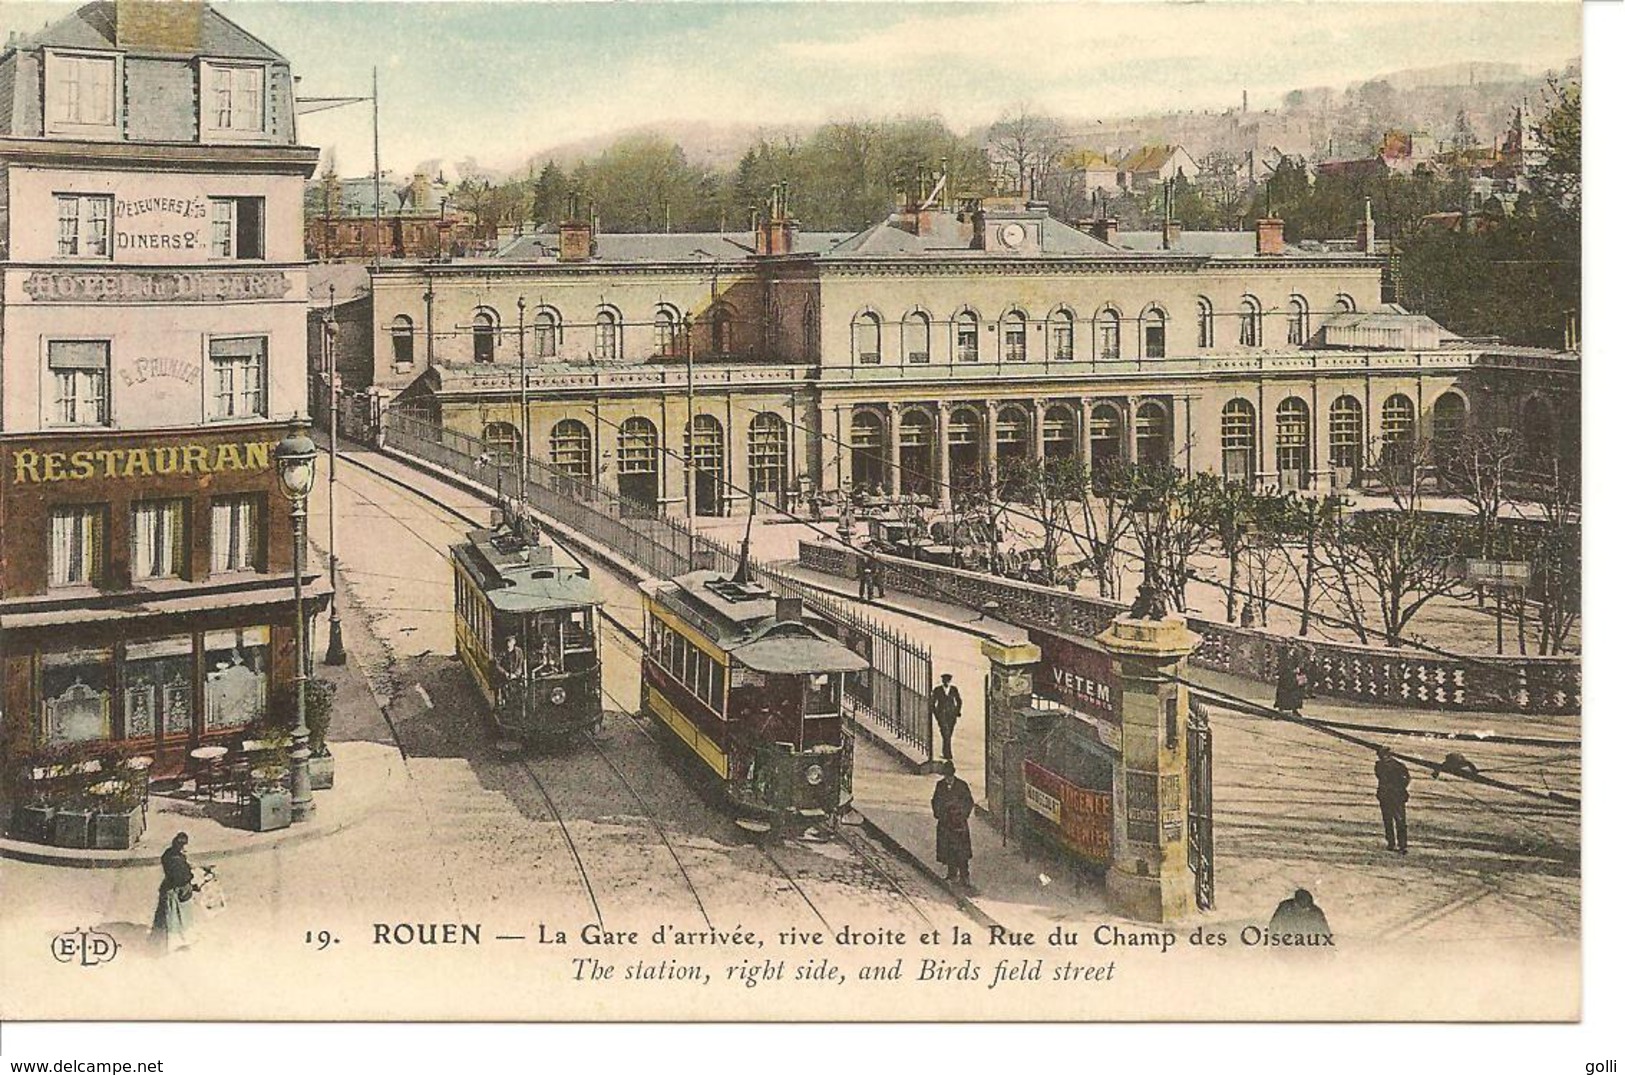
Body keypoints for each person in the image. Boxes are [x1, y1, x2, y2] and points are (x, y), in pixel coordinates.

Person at [151, 832, 198, 953]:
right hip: (175, 892)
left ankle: (158, 941)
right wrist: (192, 877)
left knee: (164, 917)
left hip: (167, 888)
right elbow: (181, 878)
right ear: (180, 846)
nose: (185, 849)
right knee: (177, 918)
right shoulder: (176, 860)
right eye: (183, 846)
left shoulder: (168, 854)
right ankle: (177, 943)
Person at [931, 762, 973, 886]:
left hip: (959, 824)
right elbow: (935, 801)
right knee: (948, 849)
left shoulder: (962, 785)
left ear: (953, 775)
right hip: (945, 823)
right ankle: (951, 873)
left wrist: (962, 815)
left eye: (949, 776)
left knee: (961, 851)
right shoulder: (940, 786)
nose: (947, 779)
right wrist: (939, 814)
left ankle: (964, 876)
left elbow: (968, 802)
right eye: (945, 776)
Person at [1375, 747, 1411, 854]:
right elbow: (1407, 779)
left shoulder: (1380, 766)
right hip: (1395, 796)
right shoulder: (1398, 766)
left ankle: (1394, 843)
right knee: (1397, 821)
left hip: (1389, 796)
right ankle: (1400, 845)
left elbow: (1380, 776)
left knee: (1391, 821)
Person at [1268, 888, 1333, 943]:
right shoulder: (1285, 907)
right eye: (1302, 908)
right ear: (1295, 903)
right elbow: (1273, 926)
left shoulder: (1316, 912)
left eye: (1307, 907)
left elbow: (1325, 933)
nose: (1305, 909)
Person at [929, 673, 962, 762]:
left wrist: (957, 711)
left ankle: (945, 751)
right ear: (943, 681)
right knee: (946, 732)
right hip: (942, 715)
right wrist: (936, 714)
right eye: (945, 681)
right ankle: (948, 753)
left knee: (948, 734)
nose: (946, 683)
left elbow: (959, 701)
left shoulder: (954, 689)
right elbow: (932, 703)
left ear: (950, 681)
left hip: (952, 715)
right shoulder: (937, 690)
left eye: (948, 681)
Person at [1274, 649, 1309, 716]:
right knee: (1283, 693)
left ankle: (1294, 709)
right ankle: (1281, 708)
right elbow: (1282, 666)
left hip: (1293, 679)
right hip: (1285, 678)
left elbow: (1300, 665)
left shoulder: (1296, 656)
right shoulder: (1283, 656)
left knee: (1294, 694)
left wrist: (1298, 669)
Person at [497, 635, 527, 710]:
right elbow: (498, 665)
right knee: (505, 691)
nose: (509, 644)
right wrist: (505, 673)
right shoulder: (502, 652)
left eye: (510, 642)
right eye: (508, 642)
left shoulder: (519, 651)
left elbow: (520, 664)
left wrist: (516, 674)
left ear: (514, 642)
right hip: (504, 676)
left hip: (516, 676)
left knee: (517, 692)